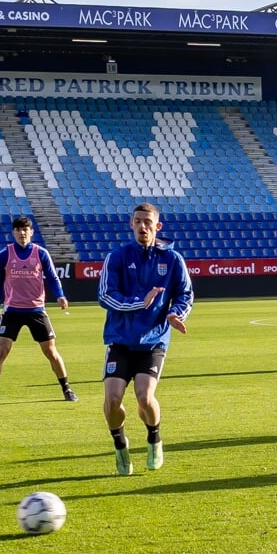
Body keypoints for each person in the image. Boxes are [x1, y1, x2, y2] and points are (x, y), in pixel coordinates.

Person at [100, 202, 192, 475]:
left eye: (148, 222)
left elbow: (186, 294)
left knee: (144, 396)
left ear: (157, 226)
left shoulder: (172, 259)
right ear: (131, 224)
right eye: (138, 221)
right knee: (113, 400)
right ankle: (120, 445)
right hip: (120, 339)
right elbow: (105, 296)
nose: (143, 226)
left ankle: (154, 438)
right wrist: (140, 302)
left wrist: (176, 314)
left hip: (153, 340)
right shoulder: (117, 257)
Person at [0, 216, 74, 407]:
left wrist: (60, 295)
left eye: (25, 229)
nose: (22, 233)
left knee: (50, 351)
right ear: (13, 233)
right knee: (1, 350)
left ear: (31, 232)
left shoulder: (40, 253)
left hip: (36, 310)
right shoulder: (5, 255)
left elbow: (52, 277)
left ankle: (66, 388)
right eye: (18, 229)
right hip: (12, 311)